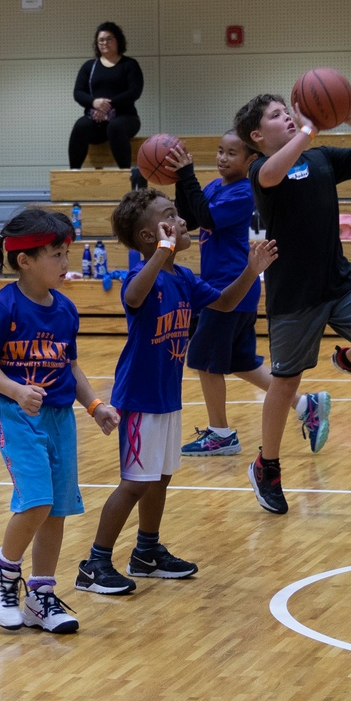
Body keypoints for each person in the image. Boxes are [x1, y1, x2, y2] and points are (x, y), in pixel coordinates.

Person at [75, 189, 274, 595]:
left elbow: (223, 302)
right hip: (139, 400)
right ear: (151, 235)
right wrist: (161, 253)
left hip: (167, 399)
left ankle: (146, 552)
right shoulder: (141, 278)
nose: (183, 222)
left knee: (161, 479)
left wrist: (251, 271)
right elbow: (132, 296)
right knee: (134, 484)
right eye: (171, 216)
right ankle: (94, 563)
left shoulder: (182, 278)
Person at [233, 92, 351, 516]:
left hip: (337, 279)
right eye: (276, 116)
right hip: (294, 293)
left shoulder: (322, 158)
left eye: (286, 112)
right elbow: (272, 174)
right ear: (257, 135)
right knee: (285, 381)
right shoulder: (260, 169)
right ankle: (266, 465)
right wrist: (308, 128)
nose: (287, 117)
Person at [0, 207, 119, 634]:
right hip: (17, 415)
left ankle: (40, 594)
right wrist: (16, 391)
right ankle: (1, 573)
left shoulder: (66, 310)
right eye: (56, 255)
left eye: (66, 254)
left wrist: (94, 406)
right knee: (36, 499)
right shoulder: (3, 306)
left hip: (59, 418)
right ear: (25, 260)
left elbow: (70, 368)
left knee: (55, 509)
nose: (64, 263)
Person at [169, 133, 331, 455]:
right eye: (219, 151)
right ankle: (304, 406)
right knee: (239, 361)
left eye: (232, 153)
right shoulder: (217, 187)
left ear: (250, 161)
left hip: (228, 290)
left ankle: (220, 433)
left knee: (204, 360)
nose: (223, 158)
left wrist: (187, 175)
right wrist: (178, 175)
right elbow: (191, 213)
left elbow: (207, 218)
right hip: (231, 290)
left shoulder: (244, 192)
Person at [68, 22, 144, 170]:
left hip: (126, 119)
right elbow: (78, 93)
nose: (105, 43)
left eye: (109, 39)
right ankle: (73, 172)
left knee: (115, 127)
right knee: (80, 126)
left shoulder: (130, 64)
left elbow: (135, 91)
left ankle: (124, 174)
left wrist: (108, 105)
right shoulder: (89, 66)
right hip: (96, 120)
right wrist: (94, 102)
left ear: (118, 40)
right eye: (101, 40)